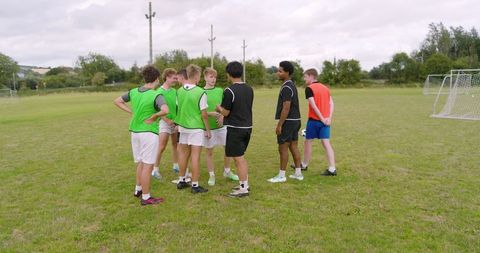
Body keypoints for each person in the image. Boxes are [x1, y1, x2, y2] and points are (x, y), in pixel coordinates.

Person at [113, 65, 168, 205]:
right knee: (148, 165)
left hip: (135, 132)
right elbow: (165, 110)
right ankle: (146, 197)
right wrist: (155, 116)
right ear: (157, 79)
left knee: (141, 163)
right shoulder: (157, 94)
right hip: (149, 133)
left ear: (144, 78)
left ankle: (138, 189)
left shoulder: (133, 92)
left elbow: (117, 101)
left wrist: (131, 112)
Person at [216, 61, 254, 197]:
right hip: (248, 127)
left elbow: (225, 113)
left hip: (235, 128)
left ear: (228, 74)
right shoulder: (249, 89)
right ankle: (245, 184)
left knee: (239, 159)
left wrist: (218, 108)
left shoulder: (229, 90)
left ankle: (243, 188)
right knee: (241, 158)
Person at [174, 64, 211, 193]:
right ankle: (195, 185)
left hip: (183, 127)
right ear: (197, 76)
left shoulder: (179, 91)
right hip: (196, 128)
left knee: (183, 155)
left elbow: (178, 109)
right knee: (195, 156)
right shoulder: (201, 92)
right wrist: (208, 129)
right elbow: (204, 114)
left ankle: (181, 180)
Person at [295, 68, 336, 176]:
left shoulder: (309, 88)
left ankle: (304, 164)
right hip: (326, 121)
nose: (304, 79)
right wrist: (329, 118)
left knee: (308, 141)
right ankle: (332, 168)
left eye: (305, 77)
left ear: (311, 76)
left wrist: (322, 119)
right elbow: (331, 103)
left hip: (314, 121)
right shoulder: (325, 88)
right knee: (326, 142)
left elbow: (313, 106)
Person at [268, 61, 303, 183]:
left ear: (287, 73)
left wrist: (280, 125)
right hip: (296, 120)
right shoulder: (291, 84)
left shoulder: (287, 87)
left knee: (282, 148)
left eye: (280, 71)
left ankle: (281, 176)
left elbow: (286, 107)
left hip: (288, 121)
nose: (278, 73)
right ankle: (298, 173)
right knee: (293, 146)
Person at [202, 67, 238, 186]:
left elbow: (226, 108)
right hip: (208, 127)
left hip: (222, 127)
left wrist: (222, 116)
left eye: (215, 77)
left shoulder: (220, 90)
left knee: (228, 149)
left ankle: (227, 172)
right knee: (209, 152)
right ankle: (211, 176)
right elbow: (199, 112)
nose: (213, 79)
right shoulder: (201, 92)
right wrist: (210, 113)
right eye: (211, 77)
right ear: (205, 77)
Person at [151, 68, 179, 180]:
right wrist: (167, 120)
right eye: (174, 78)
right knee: (161, 146)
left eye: (176, 78)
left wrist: (176, 121)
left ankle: (176, 165)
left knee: (175, 145)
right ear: (167, 77)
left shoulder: (175, 92)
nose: (175, 80)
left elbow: (177, 107)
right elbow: (156, 109)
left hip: (175, 122)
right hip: (164, 122)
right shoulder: (158, 92)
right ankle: (155, 169)